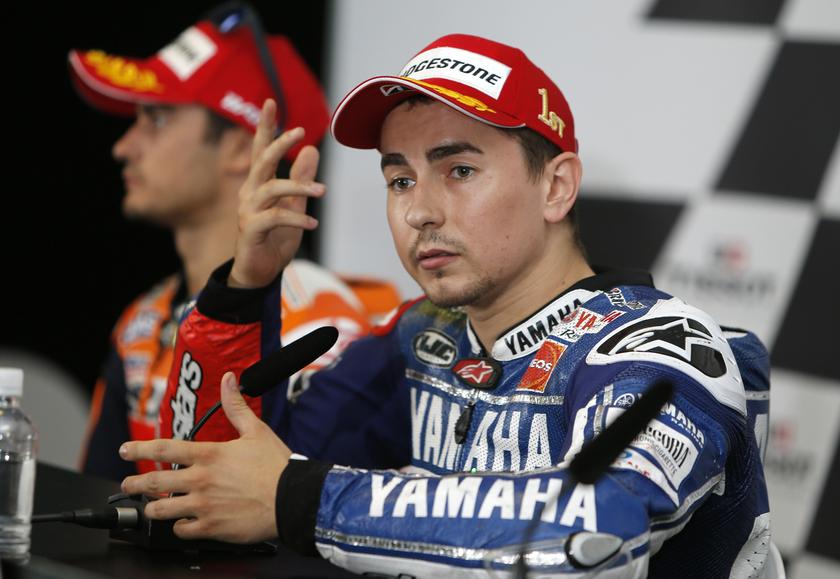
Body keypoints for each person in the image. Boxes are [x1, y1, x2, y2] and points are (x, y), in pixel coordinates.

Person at [119, 34, 771, 577]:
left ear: (557, 186)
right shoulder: (422, 340)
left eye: (458, 170)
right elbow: (211, 489)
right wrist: (244, 290)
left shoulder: (661, 349)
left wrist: (301, 497)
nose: (418, 210)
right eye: (399, 178)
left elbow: (595, 534)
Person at [72, 3, 400, 481]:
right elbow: (96, 500)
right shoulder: (141, 321)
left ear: (237, 149)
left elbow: (282, 523)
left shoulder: (319, 322)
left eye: (156, 118)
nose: (124, 146)